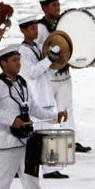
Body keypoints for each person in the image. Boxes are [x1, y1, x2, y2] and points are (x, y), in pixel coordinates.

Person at [0, 45, 67, 189]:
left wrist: (54, 116)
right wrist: (11, 119)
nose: (18, 64)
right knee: (3, 180)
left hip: (25, 140)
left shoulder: (22, 83)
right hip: (5, 142)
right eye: (14, 60)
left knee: (31, 179)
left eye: (19, 60)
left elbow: (34, 109)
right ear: (3, 63)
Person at [35, 0, 91, 153]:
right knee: (45, 108)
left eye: (58, 4)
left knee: (68, 108)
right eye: (53, 5)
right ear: (44, 8)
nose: (57, 8)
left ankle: (71, 140)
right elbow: (37, 51)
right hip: (49, 77)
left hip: (64, 75)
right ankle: (41, 139)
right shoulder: (40, 28)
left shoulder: (63, 24)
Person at [18, 14, 69, 179]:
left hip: (46, 95)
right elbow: (32, 72)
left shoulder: (40, 47)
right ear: (23, 30)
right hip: (35, 97)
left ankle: (50, 168)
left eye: (36, 28)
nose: (35, 31)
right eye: (32, 28)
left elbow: (49, 69)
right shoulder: (22, 51)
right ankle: (20, 167)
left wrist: (57, 60)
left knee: (50, 134)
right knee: (34, 136)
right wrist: (48, 59)